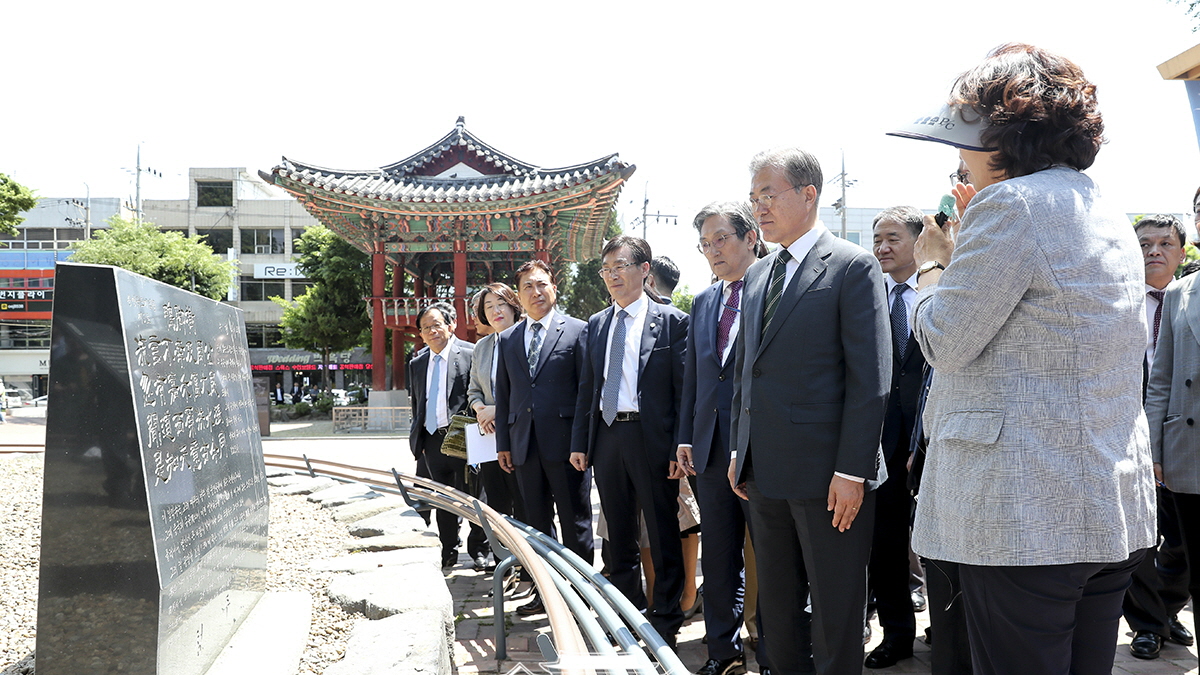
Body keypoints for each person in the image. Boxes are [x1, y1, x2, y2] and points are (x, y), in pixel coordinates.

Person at [891, 43, 1155, 675]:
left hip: (1022, 520)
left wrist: (932, 265)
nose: (958, 153)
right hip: (1103, 508)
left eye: (965, 136)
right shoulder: (1102, 208)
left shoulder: (1011, 206)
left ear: (1006, 137)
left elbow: (945, 342)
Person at [730, 147, 890, 675]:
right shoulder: (757, 276)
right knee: (776, 609)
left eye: (768, 195)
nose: (760, 208)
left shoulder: (851, 265)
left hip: (830, 477)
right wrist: (740, 447)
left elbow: (871, 380)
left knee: (835, 608)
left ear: (808, 194)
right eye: (754, 199)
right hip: (765, 471)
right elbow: (746, 372)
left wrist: (852, 471)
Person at [571, 235, 689, 648]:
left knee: (661, 529)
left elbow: (682, 391)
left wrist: (680, 444)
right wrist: (580, 443)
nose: (612, 276)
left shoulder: (672, 321)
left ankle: (666, 616)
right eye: (606, 269)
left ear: (645, 270)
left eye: (621, 266)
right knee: (617, 531)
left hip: (651, 438)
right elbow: (588, 388)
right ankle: (623, 608)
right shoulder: (598, 324)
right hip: (607, 435)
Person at [677, 201, 773, 675]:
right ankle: (723, 653)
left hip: (763, 449)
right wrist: (685, 437)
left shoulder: (777, 289)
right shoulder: (703, 301)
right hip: (711, 450)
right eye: (705, 243)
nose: (712, 250)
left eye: (721, 239)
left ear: (750, 236)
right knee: (718, 559)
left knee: (773, 559)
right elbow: (694, 376)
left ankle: (776, 655)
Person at [495, 259, 593, 615]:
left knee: (575, 522)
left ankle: (582, 596)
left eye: (541, 284)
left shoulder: (579, 330)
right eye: (527, 288)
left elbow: (587, 393)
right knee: (536, 524)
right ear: (518, 297)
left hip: (567, 446)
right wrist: (503, 443)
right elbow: (504, 394)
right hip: (524, 445)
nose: (535, 293)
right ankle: (546, 593)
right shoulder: (507, 339)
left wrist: (582, 443)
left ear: (554, 286)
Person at [1125, 214, 1194, 659]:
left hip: (1184, 440)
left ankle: (1168, 609)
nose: (1154, 251)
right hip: (1127, 434)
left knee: (1182, 539)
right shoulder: (1117, 301)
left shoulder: (1190, 300)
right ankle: (1146, 624)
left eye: (1165, 243)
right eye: (1145, 243)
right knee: (1138, 538)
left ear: (1182, 251)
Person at [864, 206, 927, 669]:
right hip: (879, 446)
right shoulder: (865, 298)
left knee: (937, 545)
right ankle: (897, 634)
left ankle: (948, 629)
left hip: (933, 443)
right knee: (884, 545)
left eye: (893, 239)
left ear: (919, 242)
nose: (882, 248)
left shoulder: (940, 294)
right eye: (877, 239)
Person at [406, 302, 477, 569]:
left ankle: (479, 548)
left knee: (472, 498)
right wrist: (419, 438)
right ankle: (449, 549)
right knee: (442, 499)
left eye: (436, 324)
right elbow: (418, 403)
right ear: (421, 335)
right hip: (433, 440)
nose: (431, 331)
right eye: (425, 328)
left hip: (464, 437)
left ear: (451, 325)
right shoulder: (417, 362)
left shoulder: (471, 353)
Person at [466, 283, 528, 561]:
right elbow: (473, 389)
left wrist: (497, 410)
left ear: (514, 305)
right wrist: (480, 409)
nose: (495, 311)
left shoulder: (527, 337)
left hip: (522, 434)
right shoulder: (482, 347)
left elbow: (529, 389)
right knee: (497, 506)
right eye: (488, 306)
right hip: (490, 439)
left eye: (500, 303)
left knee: (526, 505)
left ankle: (529, 569)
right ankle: (504, 564)